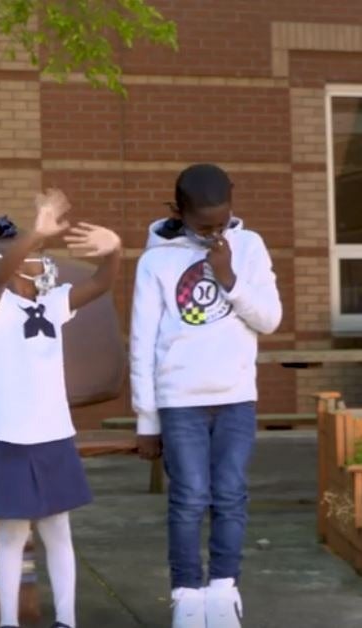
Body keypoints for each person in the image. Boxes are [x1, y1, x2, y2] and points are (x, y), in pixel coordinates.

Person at [0, 190, 122, 628]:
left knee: (58, 531)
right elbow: (0, 274)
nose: (41, 261)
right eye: (34, 254)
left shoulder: (51, 303)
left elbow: (103, 283)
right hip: (11, 438)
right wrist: (35, 233)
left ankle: (66, 620)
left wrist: (115, 251)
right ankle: (8, 621)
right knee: (12, 534)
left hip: (54, 435)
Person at [131, 164, 282, 628]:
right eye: (203, 226)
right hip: (180, 401)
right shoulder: (155, 261)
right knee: (190, 498)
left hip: (236, 396)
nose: (215, 233)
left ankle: (222, 593)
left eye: (222, 221)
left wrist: (230, 279)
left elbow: (270, 319)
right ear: (179, 212)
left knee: (231, 495)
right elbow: (141, 342)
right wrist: (146, 420)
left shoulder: (250, 247)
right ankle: (186, 596)